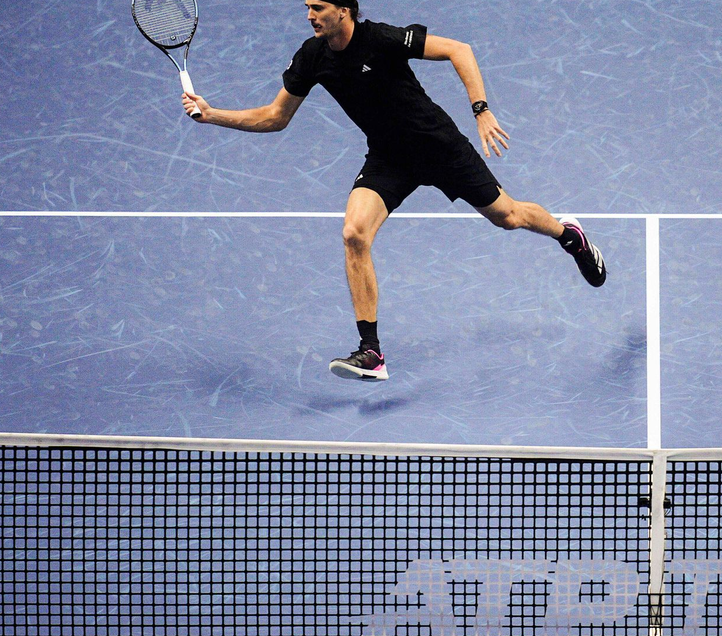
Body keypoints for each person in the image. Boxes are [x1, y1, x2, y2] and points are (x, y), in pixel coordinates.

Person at [181, 0, 606, 382]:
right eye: (307, 7)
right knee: (354, 233)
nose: (309, 15)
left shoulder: (382, 39)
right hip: (389, 158)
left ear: (344, 10)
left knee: (508, 216)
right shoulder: (312, 56)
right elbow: (276, 116)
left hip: (439, 147)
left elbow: (459, 50)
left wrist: (481, 110)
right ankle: (371, 352)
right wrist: (213, 114)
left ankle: (568, 235)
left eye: (318, 7)